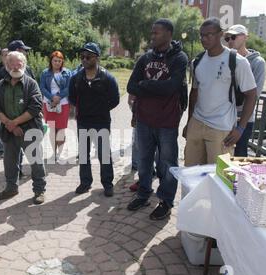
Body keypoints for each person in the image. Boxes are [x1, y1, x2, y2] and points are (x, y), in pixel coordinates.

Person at [126, 19, 188, 220]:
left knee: (167, 164)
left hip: (167, 122)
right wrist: (154, 87)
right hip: (144, 119)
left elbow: (172, 87)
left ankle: (166, 201)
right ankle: (143, 194)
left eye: (157, 33)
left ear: (169, 34)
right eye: (152, 33)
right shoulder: (145, 58)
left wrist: (145, 85)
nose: (152, 36)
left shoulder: (179, 58)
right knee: (144, 162)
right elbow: (130, 86)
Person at [183, 18, 257, 166]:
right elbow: (194, 94)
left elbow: (252, 95)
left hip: (221, 128)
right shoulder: (197, 61)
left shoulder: (237, 61)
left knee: (219, 178)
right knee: (191, 173)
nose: (204, 38)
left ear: (221, 35)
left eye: (209, 35)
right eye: (202, 35)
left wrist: (240, 128)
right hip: (197, 124)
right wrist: (189, 123)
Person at [0, 51, 46, 205]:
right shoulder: (1, 84)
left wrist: (14, 123)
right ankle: (11, 188)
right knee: (9, 162)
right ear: (7, 65)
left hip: (30, 130)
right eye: (12, 64)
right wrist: (9, 124)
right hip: (9, 131)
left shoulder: (31, 83)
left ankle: (39, 190)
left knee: (36, 162)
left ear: (24, 64)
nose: (16, 67)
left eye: (19, 63)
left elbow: (35, 107)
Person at [69, 42, 120, 197]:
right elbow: (72, 98)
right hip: (83, 121)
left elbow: (115, 99)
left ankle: (107, 184)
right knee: (83, 154)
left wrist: (101, 110)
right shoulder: (76, 78)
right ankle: (85, 183)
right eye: (82, 56)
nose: (84, 59)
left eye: (88, 56)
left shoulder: (107, 78)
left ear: (96, 58)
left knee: (104, 154)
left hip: (101, 121)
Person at [224, 24, 266, 157]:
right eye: (227, 38)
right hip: (224, 116)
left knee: (239, 156)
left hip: (243, 118)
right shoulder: (225, 58)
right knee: (222, 155)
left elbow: (254, 94)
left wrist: (240, 126)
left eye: (234, 37)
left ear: (245, 37)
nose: (230, 41)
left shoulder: (258, 62)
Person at [39, 51, 72, 162]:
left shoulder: (67, 73)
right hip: (48, 104)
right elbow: (42, 88)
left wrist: (58, 96)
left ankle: (60, 153)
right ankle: (53, 153)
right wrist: (52, 98)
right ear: (51, 61)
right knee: (52, 129)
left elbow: (69, 87)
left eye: (59, 60)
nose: (57, 63)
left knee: (61, 129)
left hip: (63, 104)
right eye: (55, 60)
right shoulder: (45, 73)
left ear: (62, 61)